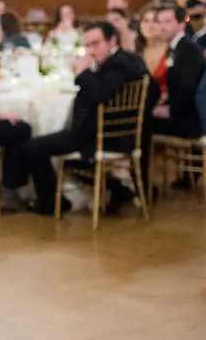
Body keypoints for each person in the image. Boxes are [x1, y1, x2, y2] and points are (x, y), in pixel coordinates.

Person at [15, 21, 148, 215]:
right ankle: (118, 189)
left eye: (96, 44)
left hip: (101, 137)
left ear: (112, 41)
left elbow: (99, 93)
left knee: (33, 147)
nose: (91, 51)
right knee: (57, 154)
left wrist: (83, 72)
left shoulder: (119, 65)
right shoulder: (126, 60)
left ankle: (49, 203)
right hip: (105, 132)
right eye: (87, 46)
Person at [150, 3, 205, 139]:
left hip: (189, 119)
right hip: (179, 113)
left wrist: (170, 110)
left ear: (181, 24)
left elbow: (187, 87)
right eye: (160, 22)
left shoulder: (189, 50)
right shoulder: (173, 49)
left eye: (167, 22)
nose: (162, 27)